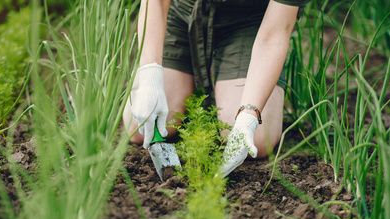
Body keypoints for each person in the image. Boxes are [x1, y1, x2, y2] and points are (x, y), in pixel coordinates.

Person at [123, 0, 312, 177]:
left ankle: (222, 77)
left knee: (259, 139)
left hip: (250, 22)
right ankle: (202, 84)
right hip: (182, 13)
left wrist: (248, 117)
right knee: (138, 125)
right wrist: (150, 77)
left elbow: (273, 37)